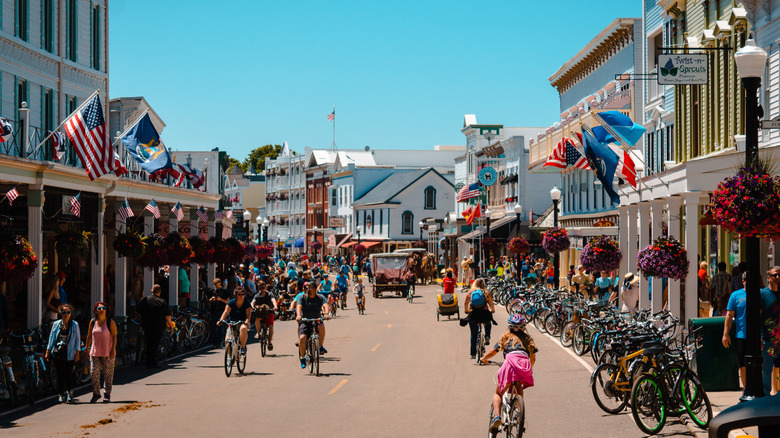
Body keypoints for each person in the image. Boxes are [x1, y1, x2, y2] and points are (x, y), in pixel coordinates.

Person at [480, 314, 537, 434]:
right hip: (524, 366)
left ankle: (496, 417)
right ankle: (520, 415)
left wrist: (484, 358)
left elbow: (492, 352)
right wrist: (528, 368)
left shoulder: (506, 337)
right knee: (518, 388)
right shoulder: (528, 339)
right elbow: (533, 358)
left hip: (510, 364)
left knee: (498, 393)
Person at [45, 303, 81, 403]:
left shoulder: (74, 325)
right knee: (60, 374)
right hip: (58, 353)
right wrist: (48, 351)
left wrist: (77, 353)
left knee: (68, 374)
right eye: (64, 312)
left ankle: (70, 392)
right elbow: (51, 338)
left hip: (70, 353)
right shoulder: (56, 324)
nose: (66, 314)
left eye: (68, 312)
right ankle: (61, 394)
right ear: (60, 313)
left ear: (70, 313)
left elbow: (77, 339)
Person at [85, 302, 117, 403]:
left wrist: (113, 350)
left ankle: (107, 394)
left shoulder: (110, 322)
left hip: (107, 351)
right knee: (94, 373)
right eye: (99, 308)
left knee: (108, 374)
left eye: (103, 308)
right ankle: (96, 393)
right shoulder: (93, 322)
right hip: (95, 352)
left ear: (106, 310)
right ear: (96, 311)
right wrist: (86, 347)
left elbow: (114, 336)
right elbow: (89, 335)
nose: (101, 310)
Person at [137, 284, 173, 368]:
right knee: (155, 344)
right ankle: (152, 362)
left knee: (148, 343)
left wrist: (141, 322)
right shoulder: (162, 302)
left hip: (147, 325)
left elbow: (138, 314)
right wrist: (170, 325)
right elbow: (167, 316)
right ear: (159, 292)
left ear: (151, 291)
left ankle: (149, 361)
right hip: (158, 326)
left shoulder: (144, 300)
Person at [296, 281, 331, 368]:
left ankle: (320, 346)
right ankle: (302, 357)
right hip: (305, 321)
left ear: (315, 289)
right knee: (302, 338)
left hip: (316, 320)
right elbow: (298, 306)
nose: (308, 289)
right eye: (307, 288)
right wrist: (299, 315)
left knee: (321, 326)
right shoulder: (302, 297)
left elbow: (325, 304)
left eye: (310, 288)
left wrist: (326, 313)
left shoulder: (320, 297)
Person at [723, 273, 748, 390]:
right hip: (741, 335)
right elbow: (729, 315)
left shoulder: (761, 293)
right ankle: (746, 388)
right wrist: (725, 334)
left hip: (758, 336)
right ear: (743, 281)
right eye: (747, 279)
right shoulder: (735, 295)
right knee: (743, 364)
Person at [461, 278, 496, 359]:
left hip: (473, 314)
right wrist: (492, 310)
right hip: (484, 313)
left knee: (474, 333)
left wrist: (466, 310)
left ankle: (473, 353)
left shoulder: (470, 292)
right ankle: (487, 336)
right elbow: (491, 304)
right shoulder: (486, 292)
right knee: (488, 323)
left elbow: (466, 302)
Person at [761, 266, 780, 396]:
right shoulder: (763, 294)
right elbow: (758, 316)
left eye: (779, 275)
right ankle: (766, 399)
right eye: (775, 275)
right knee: (766, 372)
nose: (778, 278)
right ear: (769, 277)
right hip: (768, 339)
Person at [218, 287, 252, 355]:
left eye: (243, 294)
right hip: (232, 323)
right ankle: (229, 357)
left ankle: (243, 347)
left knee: (243, 328)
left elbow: (248, 314)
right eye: (239, 294)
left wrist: (247, 321)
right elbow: (226, 312)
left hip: (243, 322)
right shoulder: (231, 302)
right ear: (235, 295)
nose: (241, 296)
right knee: (226, 340)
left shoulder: (246, 302)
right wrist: (221, 320)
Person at [251, 282, 278, 351]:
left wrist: (275, 306)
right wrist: (252, 306)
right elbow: (253, 302)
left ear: (265, 287)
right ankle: (258, 332)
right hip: (260, 312)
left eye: (263, 287)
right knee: (257, 319)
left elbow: (273, 300)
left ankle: (270, 342)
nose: (262, 289)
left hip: (269, 311)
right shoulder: (257, 295)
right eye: (260, 288)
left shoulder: (269, 294)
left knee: (271, 327)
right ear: (258, 288)